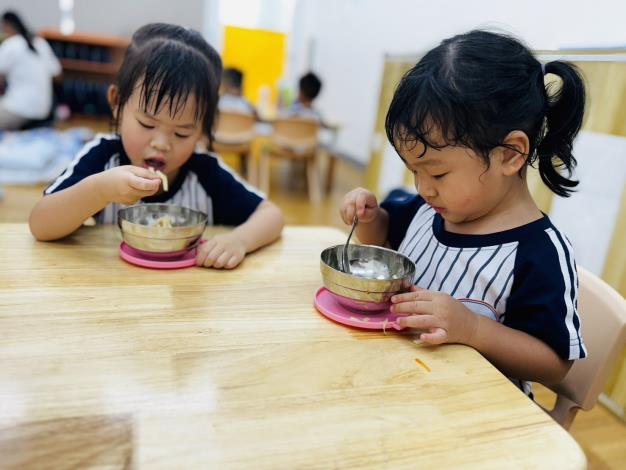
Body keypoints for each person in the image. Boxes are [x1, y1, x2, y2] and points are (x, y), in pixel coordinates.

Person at [339, 30, 586, 396]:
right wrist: (370, 218)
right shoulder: (425, 210)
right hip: (403, 387)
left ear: (510, 154)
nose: (423, 187)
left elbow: (553, 364)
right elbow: (381, 240)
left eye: (437, 172)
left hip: (476, 414)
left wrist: (471, 329)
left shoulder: (539, 254)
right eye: (414, 171)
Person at [29, 23, 284, 269]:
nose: (161, 144)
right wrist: (100, 190)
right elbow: (40, 224)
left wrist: (238, 241)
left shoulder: (205, 172)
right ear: (117, 103)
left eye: (182, 133)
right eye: (147, 124)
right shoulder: (103, 156)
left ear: (202, 132)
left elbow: (272, 215)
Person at [0, 11, 61, 129]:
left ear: (7, 25)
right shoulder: (40, 42)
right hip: (44, 110)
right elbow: (58, 75)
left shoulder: (12, 44)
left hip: (19, 109)